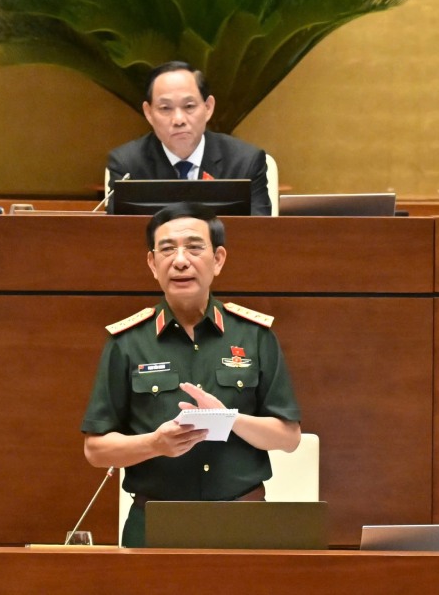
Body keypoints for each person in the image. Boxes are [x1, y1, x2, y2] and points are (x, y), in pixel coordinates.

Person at [80, 202, 301, 547]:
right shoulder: (127, 343)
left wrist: (226, 419)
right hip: (156, 527)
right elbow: (96, 450)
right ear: (153, 264)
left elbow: (288, 437)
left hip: (245, 524)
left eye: (195, 248)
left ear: (218, 260)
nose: (180, 261)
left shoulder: (254, 336)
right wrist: (155, 444)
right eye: (167, 249)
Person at [106, 61, 272, 216]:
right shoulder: (127, 165)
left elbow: (259, 234)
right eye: (165, 108)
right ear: (149, 113)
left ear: (208, 108)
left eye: (189, 106)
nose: (178, 120)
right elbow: (118, 236)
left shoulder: (244, 162)